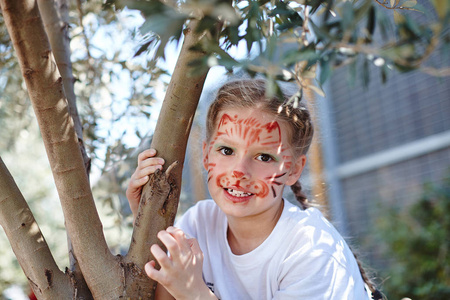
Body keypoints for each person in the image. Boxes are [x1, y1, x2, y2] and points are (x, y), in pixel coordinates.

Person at [127, 79, 382, 300]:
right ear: (206, 154)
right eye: (226, 151)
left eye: (264, 157)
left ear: (293, 169)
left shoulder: (313, 251)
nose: (239, 172)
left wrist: (195, 293)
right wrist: (149, 219)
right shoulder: (199, 224)